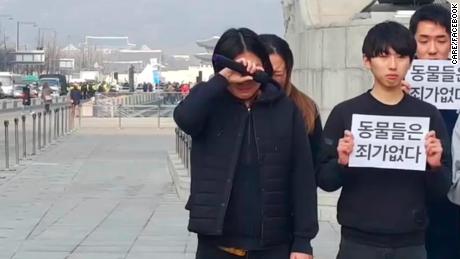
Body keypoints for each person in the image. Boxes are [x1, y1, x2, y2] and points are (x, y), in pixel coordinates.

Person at [174, 27, 318, 259]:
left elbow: (302, 176)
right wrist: (223, 78)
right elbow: (184, 119)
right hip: (217, 244)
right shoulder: (210, 104)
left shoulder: (284, 108)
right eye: (238, 70)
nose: (245, 80)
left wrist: (303, 242)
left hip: (273, 244)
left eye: (253, 69)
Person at [317, 21, 451, 259]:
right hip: (358, 241)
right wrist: (342, 161)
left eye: (401, 56)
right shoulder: (345, 113)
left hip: (411, 242)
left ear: (411, 61)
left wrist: (434, 165)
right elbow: (325, 181)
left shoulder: (428, 115)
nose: (392, 65)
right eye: (383, 56)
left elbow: (441, 189)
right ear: (367, 61)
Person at [406, 4, 460, 258]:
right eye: (424, 40)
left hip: (453, 205)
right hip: (409, 204)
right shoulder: (397, 83)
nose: (432, 49)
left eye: (441, 40)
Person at [259, 34, 322, 166]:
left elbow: (316, 165)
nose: (269, 79)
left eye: (277, 74)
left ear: (288, 72)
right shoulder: (241, 107)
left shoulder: (306, 108)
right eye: (264, 73)